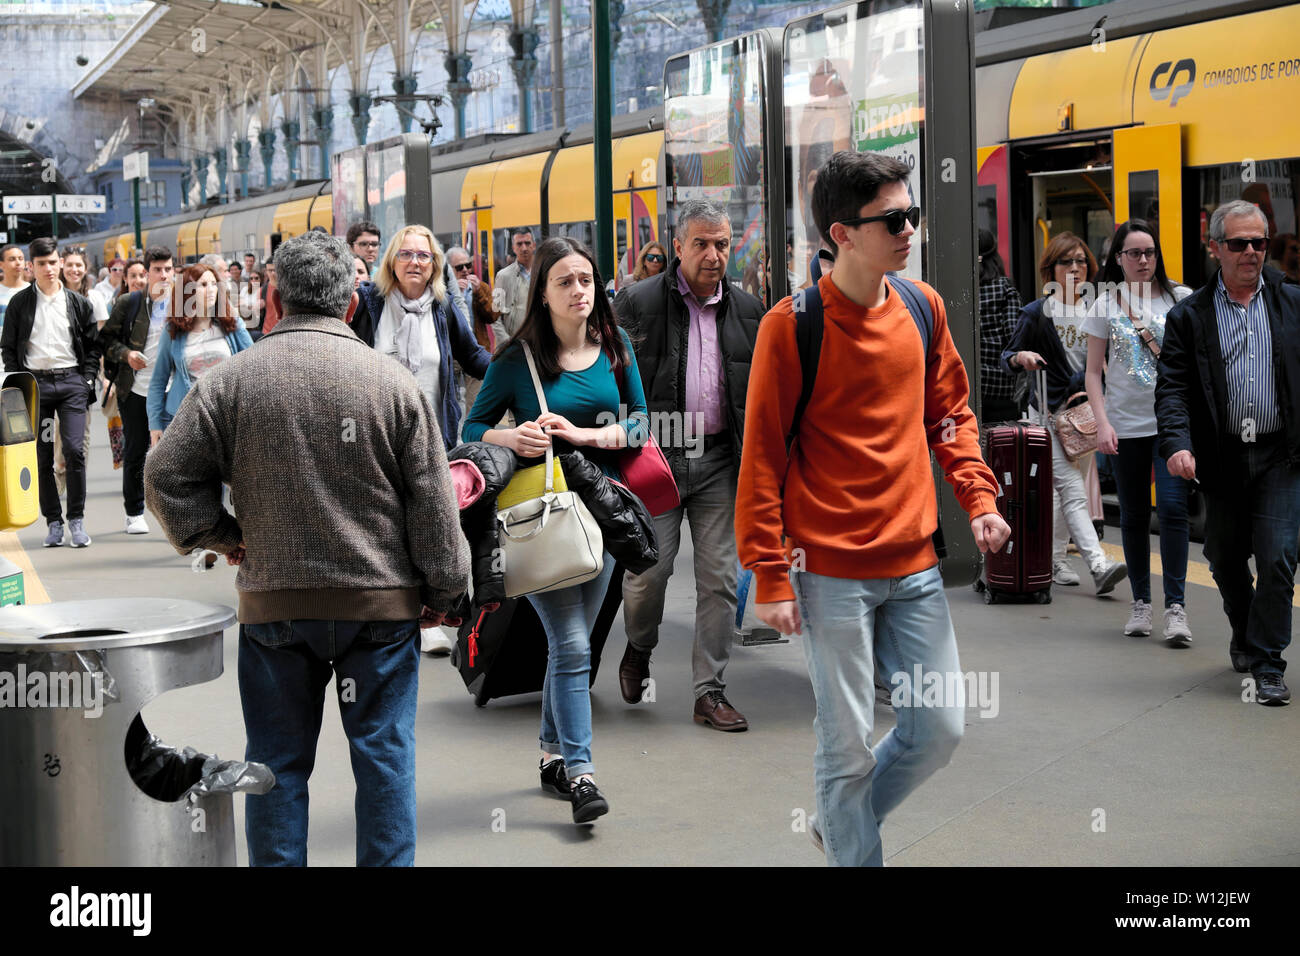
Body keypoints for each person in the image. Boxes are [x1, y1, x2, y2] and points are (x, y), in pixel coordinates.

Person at [144, 230, 469, 865]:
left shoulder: (233, 383)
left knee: (277, 765)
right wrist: (444, 594)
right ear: (352, 299)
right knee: (384, 760)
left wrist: (221, 535)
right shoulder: (393, 385)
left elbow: (163, 476)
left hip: (275, 609)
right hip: (378, 608)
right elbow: (434, 507)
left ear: (276, 296)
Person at [736, 150, 1010, 867]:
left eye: (911, 214)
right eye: (893, 219)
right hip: (828, 575)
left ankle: (840, 820)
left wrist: (977, 498)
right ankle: (855, 845)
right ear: (843, 233)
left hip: (915, 566)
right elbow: (762, 458)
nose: (910, 228)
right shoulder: (789, 327)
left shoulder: (923, 307)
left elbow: (950, 415)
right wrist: (768, 575)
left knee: (938, 729)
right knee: (847, 742)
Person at [463, 235, 649, 825]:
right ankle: (582, 772)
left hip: (605, 516)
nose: (579, 291)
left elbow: (642, 424)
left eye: (586, 280)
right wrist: (510, 437)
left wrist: (586, 435)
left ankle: (549, 754)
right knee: (570, 645)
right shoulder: (516, 360)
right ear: (541, 294)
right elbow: (471, 424)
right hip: (543, 518)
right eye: (565, 282)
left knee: (575, 644)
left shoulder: (615, 348)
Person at [613, 199, 764, 730]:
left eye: (721, 244)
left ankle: (709, 690)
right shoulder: (636, 302)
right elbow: (609, 379)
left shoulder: (748, 310)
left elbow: (757, 394)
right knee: (647, 575)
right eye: (700, 243)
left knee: (720, 579)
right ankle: (638, 646)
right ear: (678, 248)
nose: (712, 254)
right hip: (659, 460)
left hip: (721, 460)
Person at [1156, 199, 1300, 706]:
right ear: (1215, 248)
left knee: (1279, 556)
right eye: (1238, 243)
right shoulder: (1189, 316)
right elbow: (1172, 387)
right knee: (1223, 557)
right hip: (1221, 457)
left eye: (1260, 242)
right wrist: (1177, 443)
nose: (1251, 253)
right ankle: (1243, 629)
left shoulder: (1291, 301)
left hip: (1281, 454)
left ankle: (1267, 663)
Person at [1083, 220, 1193, 643]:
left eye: (1150, 252)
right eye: (1134, 253)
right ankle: (1142, 604)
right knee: (1131, 514)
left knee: (1171, 508)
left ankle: (1176, 608)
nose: (1144, 260)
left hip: (1171, 425)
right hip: (1124, 426)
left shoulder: (1180, 298)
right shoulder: (1104, 305)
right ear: (1118, 258)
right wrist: (1103, 422)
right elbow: (1093, 373)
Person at [1001, 233, 1127, 594]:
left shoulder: (1099, 309)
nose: (1075, 268)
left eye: (1081, 261)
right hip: (1047, 413)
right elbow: (1006, 357)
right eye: (1065, 262)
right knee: (1072, 488)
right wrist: (1020, 358)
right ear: (1050, 270)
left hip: (1087, 414)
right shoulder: (1036, 313)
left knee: (1064, 490)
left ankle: (1055, 558)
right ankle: (1098, 563)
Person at [350, 225, 491, 452]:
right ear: (391, 262)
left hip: (433, 442)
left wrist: (514, 366)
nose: (414, 262)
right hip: (378, 445)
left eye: (424, 256)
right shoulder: (369, 303)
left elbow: (473, 356)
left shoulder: (443, 307)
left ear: (434, 265)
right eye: (405, 254)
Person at [0, 238, 101, 548]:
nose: (48, 269)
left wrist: (86, 380)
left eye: (52, 262)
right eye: (41, 264)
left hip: (71, 385)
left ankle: (77, 520)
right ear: (32, 267)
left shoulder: (79, 303)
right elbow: (8, 346)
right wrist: (19, 384)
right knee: (42, 455)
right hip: (37, 389)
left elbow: (93, 347)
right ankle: (54, 522)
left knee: (74, 450)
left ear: (60, 263)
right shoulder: (20, 303)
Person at [99, 246, 175, 534]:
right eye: (157, 269)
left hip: (175, 391)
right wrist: (127, 354)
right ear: (147, 272)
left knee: (177, 455)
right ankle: (134, 511)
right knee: (136, 450)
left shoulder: (185, 302)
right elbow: (106, 342)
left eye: (168, 268)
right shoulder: (130, 303)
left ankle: (174, 514)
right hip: (136, 390)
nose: (163, 274)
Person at [147, 262, 253, 443]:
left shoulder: (231, 323)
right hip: (186, 419)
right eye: (203, 285)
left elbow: (253, 361)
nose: (211, 289)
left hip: (227, 417)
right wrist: (155, 424)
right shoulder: (173, 330)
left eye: (214, 284)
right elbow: (158, 381)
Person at [446, 245, 506, 413]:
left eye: (468, 265)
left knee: (476, 404)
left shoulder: (481, 287)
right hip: (452, 356)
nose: (465, 270)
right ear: (449, 270)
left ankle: (473, 437)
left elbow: (493, 315)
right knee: (451, 403)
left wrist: (479, 292)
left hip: (475, 350)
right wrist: (453, 290)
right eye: (459, 267)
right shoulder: (443, 290)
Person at [976, 229, 1023, 423]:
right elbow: (1014, 336)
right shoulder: (1004, 288)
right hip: (1000, 387)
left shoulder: (961, 288)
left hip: (969, 382)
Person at [493, 228, 536, 337]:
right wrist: (506, 343)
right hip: (514, 343)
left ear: (534, 245)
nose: (524, 248)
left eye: (527, 243)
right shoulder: (503, 276)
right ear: (513, 248)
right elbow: (494, 314)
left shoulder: (545, 273)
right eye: (519, 244)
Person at [1, 244, 31, 367]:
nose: (18, 263)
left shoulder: (33, 291)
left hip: (29, 357)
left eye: (21, 258)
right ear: (1, 264)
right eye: (12, 259)